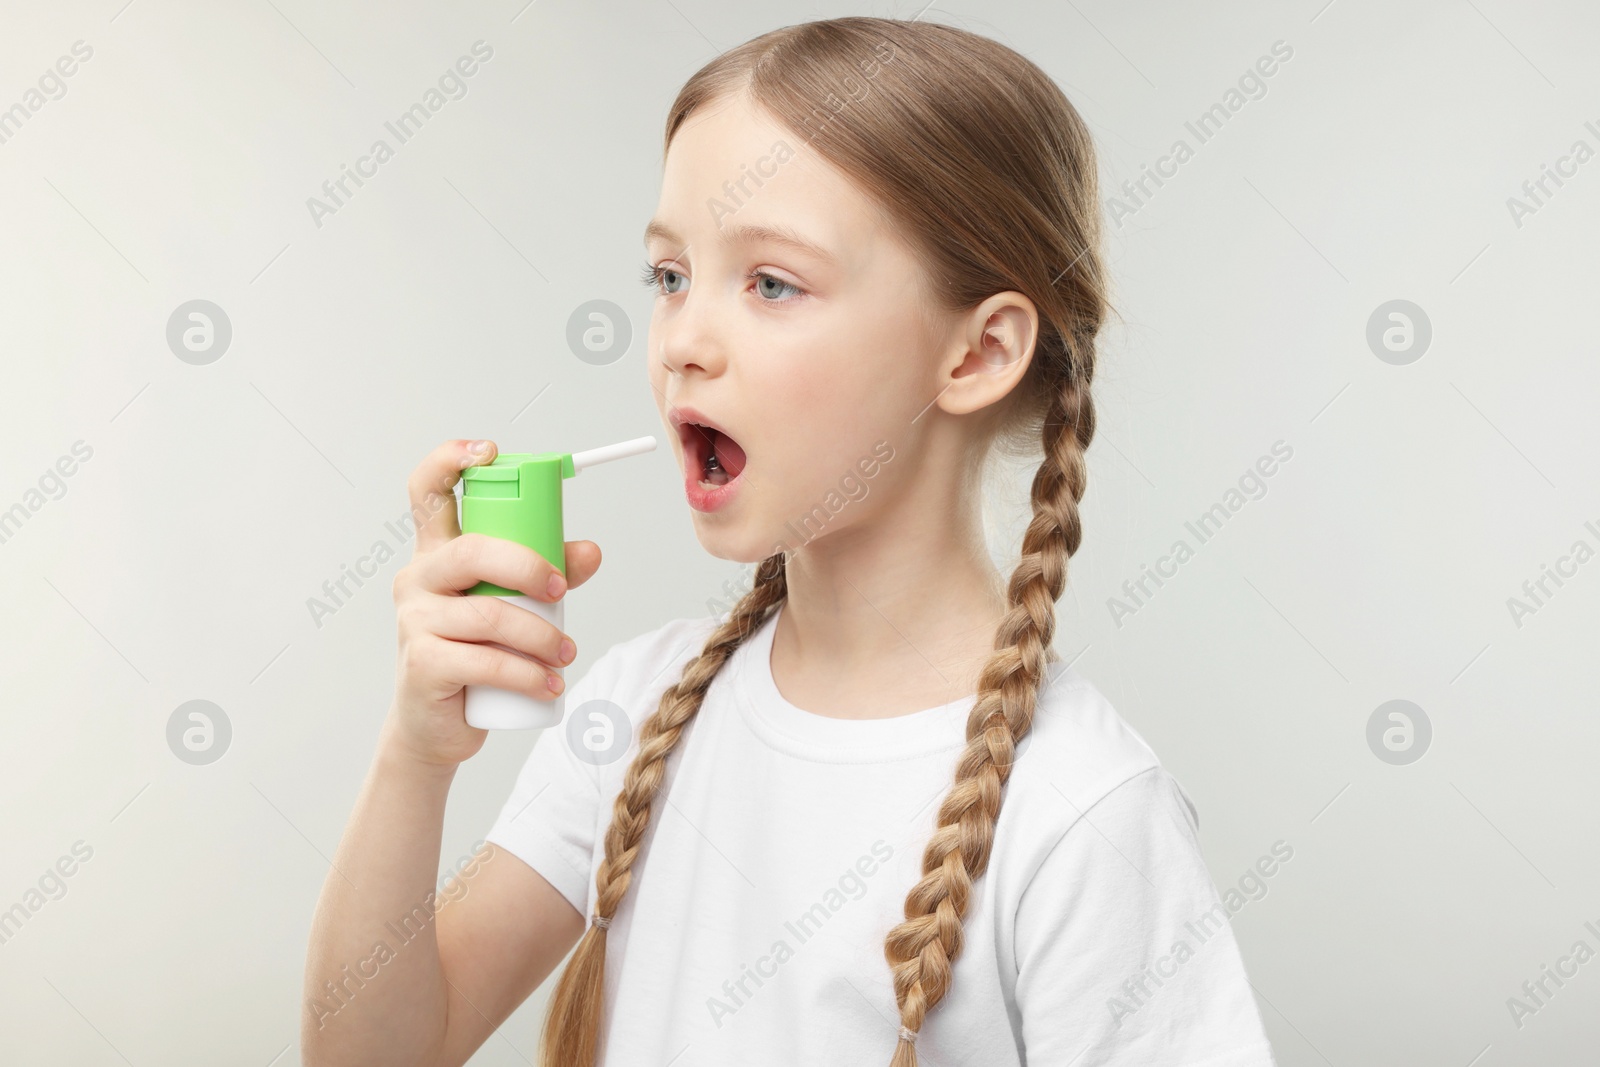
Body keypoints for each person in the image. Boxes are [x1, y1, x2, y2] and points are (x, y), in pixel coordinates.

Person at [302, 16, 1277, 1067]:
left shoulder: (1081, 810)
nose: (682, 341)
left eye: (771, 282)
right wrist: (418, 755)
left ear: (978, 351)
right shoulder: (632, 715)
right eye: (670, 276)